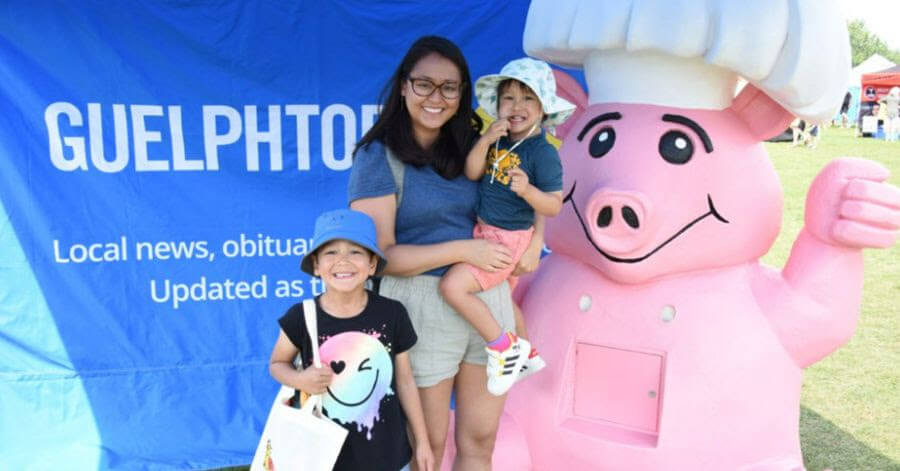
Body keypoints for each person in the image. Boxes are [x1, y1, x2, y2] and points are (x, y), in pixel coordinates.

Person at [347, 36, 547, 470]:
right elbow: (379, 257)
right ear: (403, 87)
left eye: (449, 88)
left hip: (485, 302)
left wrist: (534, 242)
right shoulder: (377, 157)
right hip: (419, 307)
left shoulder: (480, 145)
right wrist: (464, 249)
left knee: (480, 440)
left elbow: (537, 186)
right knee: (428, 449)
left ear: (463, 94)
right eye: (424, 85)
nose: (436, 98)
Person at [439, 57, 574, 396]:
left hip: (508, 238)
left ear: (544, 108)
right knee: (503, 298)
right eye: (509, 98)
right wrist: (484, 140)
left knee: (453, 288)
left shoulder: (542, 153)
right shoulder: (497, 139)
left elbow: (554, 205)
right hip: (486, 231)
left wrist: (527, 190)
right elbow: (471, 172)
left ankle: (503, 347)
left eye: (528, 98)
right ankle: (527, 351)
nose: (517, 106)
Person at [268, 209, 434, 471]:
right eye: (331, 252)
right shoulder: (301, 316)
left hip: (387, 456)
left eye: (355, 251)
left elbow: (405, 381)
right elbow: (277, 363)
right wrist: (300, 379)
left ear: (371, 265)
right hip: (323, 457)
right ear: (316, 265)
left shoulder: (392, 313)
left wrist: (423, 441)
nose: (343, 261)